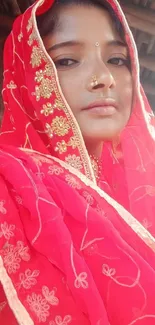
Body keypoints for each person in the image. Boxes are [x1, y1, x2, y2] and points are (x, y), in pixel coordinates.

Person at [0, 0, 155, 324]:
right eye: (68, 60)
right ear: (27, 76)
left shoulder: (147, 189)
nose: (104, 78)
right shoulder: (8, 185)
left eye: (116, 59)